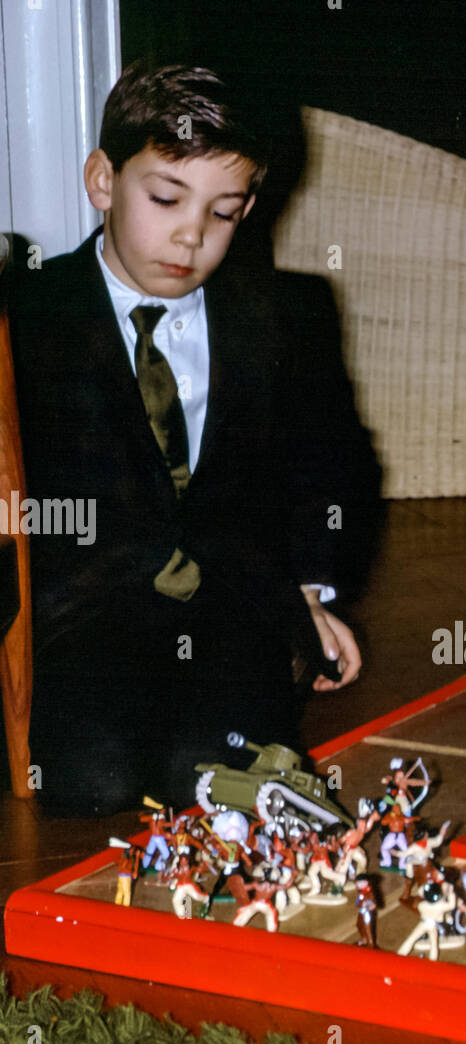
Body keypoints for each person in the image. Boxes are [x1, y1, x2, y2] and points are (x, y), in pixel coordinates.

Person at [8, 59, 381, 816]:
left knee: (211, 771)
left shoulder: (288, 315)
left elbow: (332, 468)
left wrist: (310, 591)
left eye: (225, 211)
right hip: (85, 610)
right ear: (104, 181)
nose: (191, 236)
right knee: (92, 778)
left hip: (235, 600)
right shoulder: (28, 315)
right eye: (166, 198)